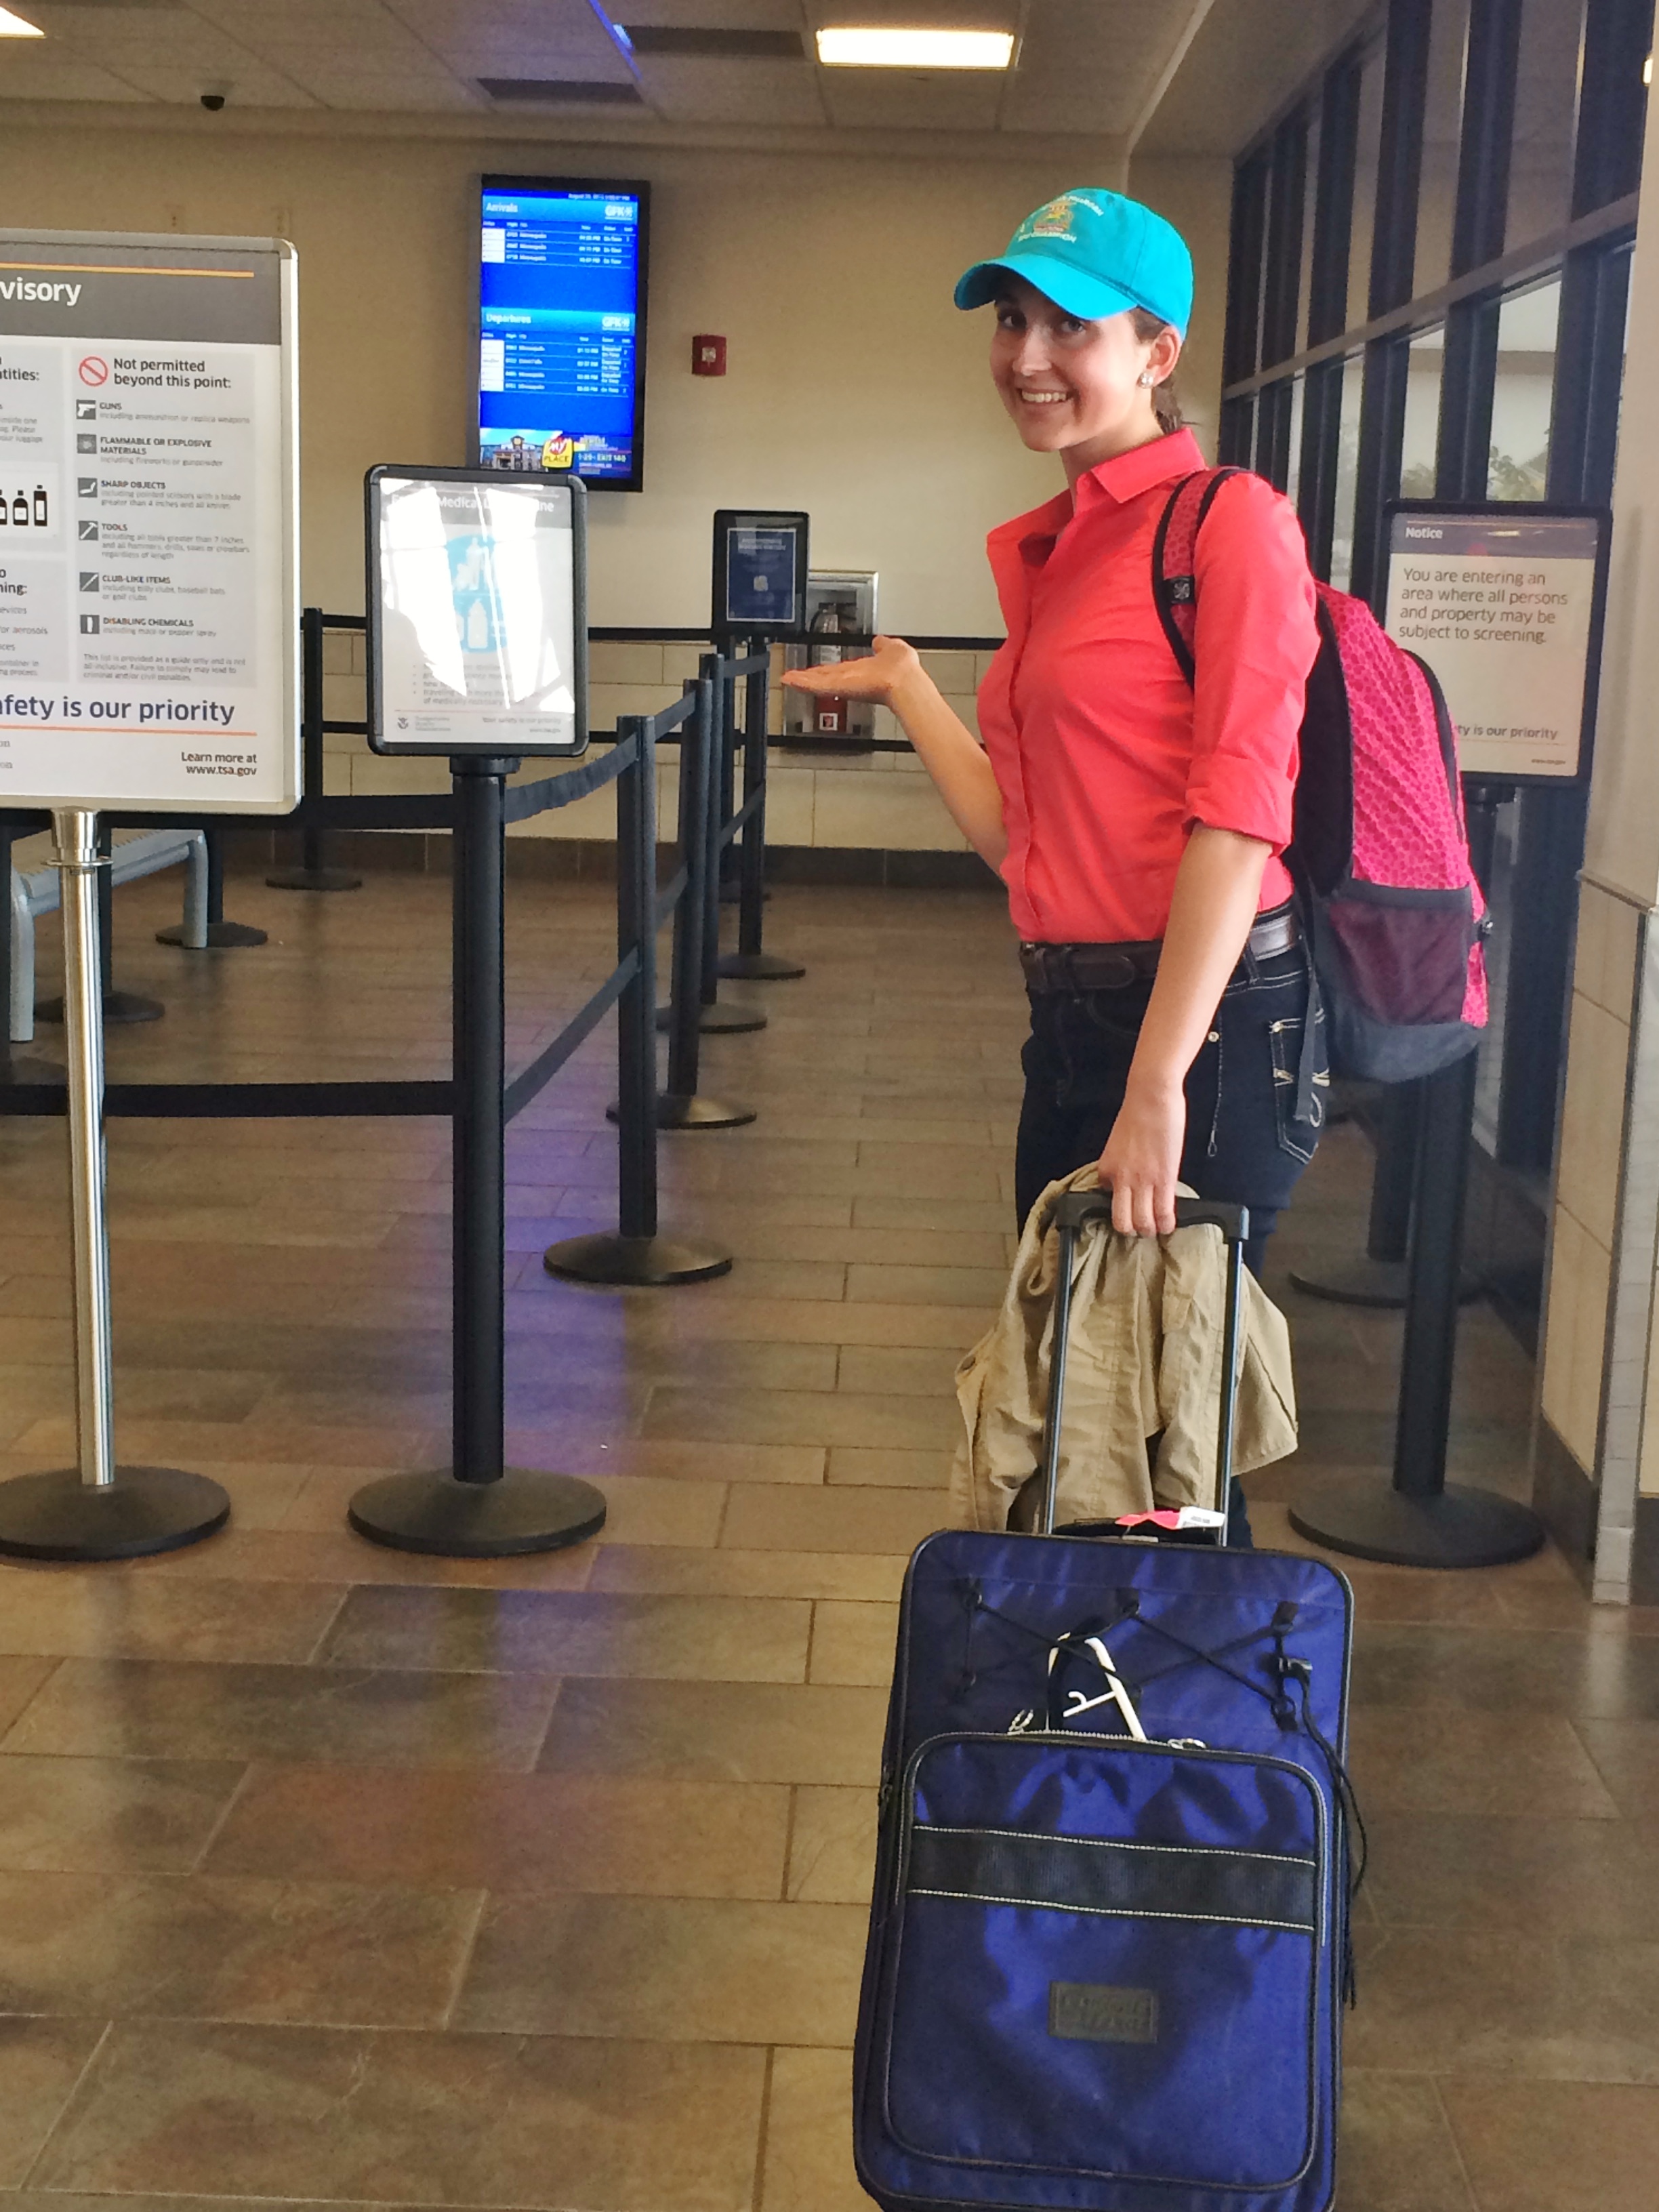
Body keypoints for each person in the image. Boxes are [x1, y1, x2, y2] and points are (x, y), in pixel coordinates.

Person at [782, 189, 1325, 1536]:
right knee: (1080, 1417)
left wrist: (1157, 1084)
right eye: (1012, 318)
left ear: (1156, 350)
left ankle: (1193, 1679)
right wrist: (910, 687)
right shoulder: (1068, 543)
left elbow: (1239, 820)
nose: (1027, 354)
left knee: (1166, 1451)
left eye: (1070, 325)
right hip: (1075, 1018)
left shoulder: (1230, 526)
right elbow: (1025, 843)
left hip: (1205, 1030)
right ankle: (1095, 1676)